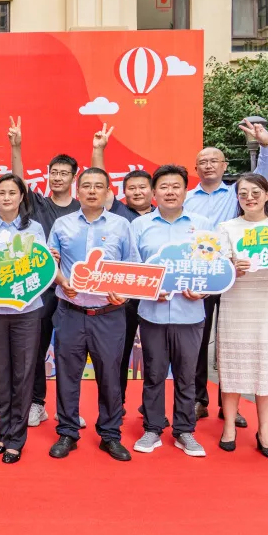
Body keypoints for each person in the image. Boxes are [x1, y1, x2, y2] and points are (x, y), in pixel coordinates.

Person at [184, 119, 268, 427]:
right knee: (198, 338)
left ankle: (229, 405)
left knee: (232, 340)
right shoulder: (186, 198)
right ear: (196, 168)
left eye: (214, 160)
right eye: (203, 162)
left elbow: (261, 177)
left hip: (236, 276)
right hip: (201, 275)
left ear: (225, 166)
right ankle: (198, 399)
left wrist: (265, 145)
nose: (209, 165)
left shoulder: (236, 193)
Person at [47, 167, 140, 462]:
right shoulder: (62, 224)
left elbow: (132, 267)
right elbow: (48, 262)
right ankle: (67, 431)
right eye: (86, 185)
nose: (91, 191)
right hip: (70, 312)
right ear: (78, 191)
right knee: (67, 374)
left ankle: (110, 434)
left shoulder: (121, 225)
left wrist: (123, 293)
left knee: (110, 375)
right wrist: (61, 281)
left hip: (109, 314)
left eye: (98, 186)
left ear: (108, 192)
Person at [129, 165, 211, 458]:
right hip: (153, 313)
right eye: (163, 187)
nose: (170, 192)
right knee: (153, 374)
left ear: (185, 191)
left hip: (190, 313)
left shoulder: (203, 225)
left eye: (176, 186)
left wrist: (204, 290)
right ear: (154, 193)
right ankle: (152, 428)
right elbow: (132, 268)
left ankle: (184, 431)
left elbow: (213, 267)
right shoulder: (139, 226)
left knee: (186, 376)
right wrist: (149, 289)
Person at [8, 117, 83, 429]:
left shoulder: (82, 208)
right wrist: (16, 147)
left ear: (74, 177)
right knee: (35, 349)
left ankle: (69, 409)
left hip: (73, 290)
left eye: (64, 173)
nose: (57, 177)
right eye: (54, 172)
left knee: (69, 353)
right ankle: (37, 403)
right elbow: (17, 181)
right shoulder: (37, 203)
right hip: (39, 288)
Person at [216, 174, 268, 459]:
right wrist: (232, 267)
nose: (249, 198)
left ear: (267, 194)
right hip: (237, 301)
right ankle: (229, 426)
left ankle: (265, 431)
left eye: (255, 192)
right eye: (243, 193)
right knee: (233, 366)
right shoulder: (227, 228)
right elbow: (219, 267)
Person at [0, 174, 47, 464]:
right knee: (0, 374)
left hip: (26, 312)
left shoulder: (34, 229)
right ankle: (3, 434)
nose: (6, 198)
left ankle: (16, 439)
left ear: (21, 197)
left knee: (23, 374)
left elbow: (41, 267)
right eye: (1, 192)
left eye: (12, 192)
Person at [91, 124, 156, 408]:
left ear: (152, 190)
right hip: (123, 297)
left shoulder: (163, 216)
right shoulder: (116, 211)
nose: (137, 192)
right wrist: (99, 150)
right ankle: (116, 406)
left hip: (155, 296)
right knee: (119, 353)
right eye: (132, 188)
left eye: (143, 187)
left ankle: (151, 408)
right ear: (122, 191)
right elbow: (98, 179)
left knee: (155, 356)